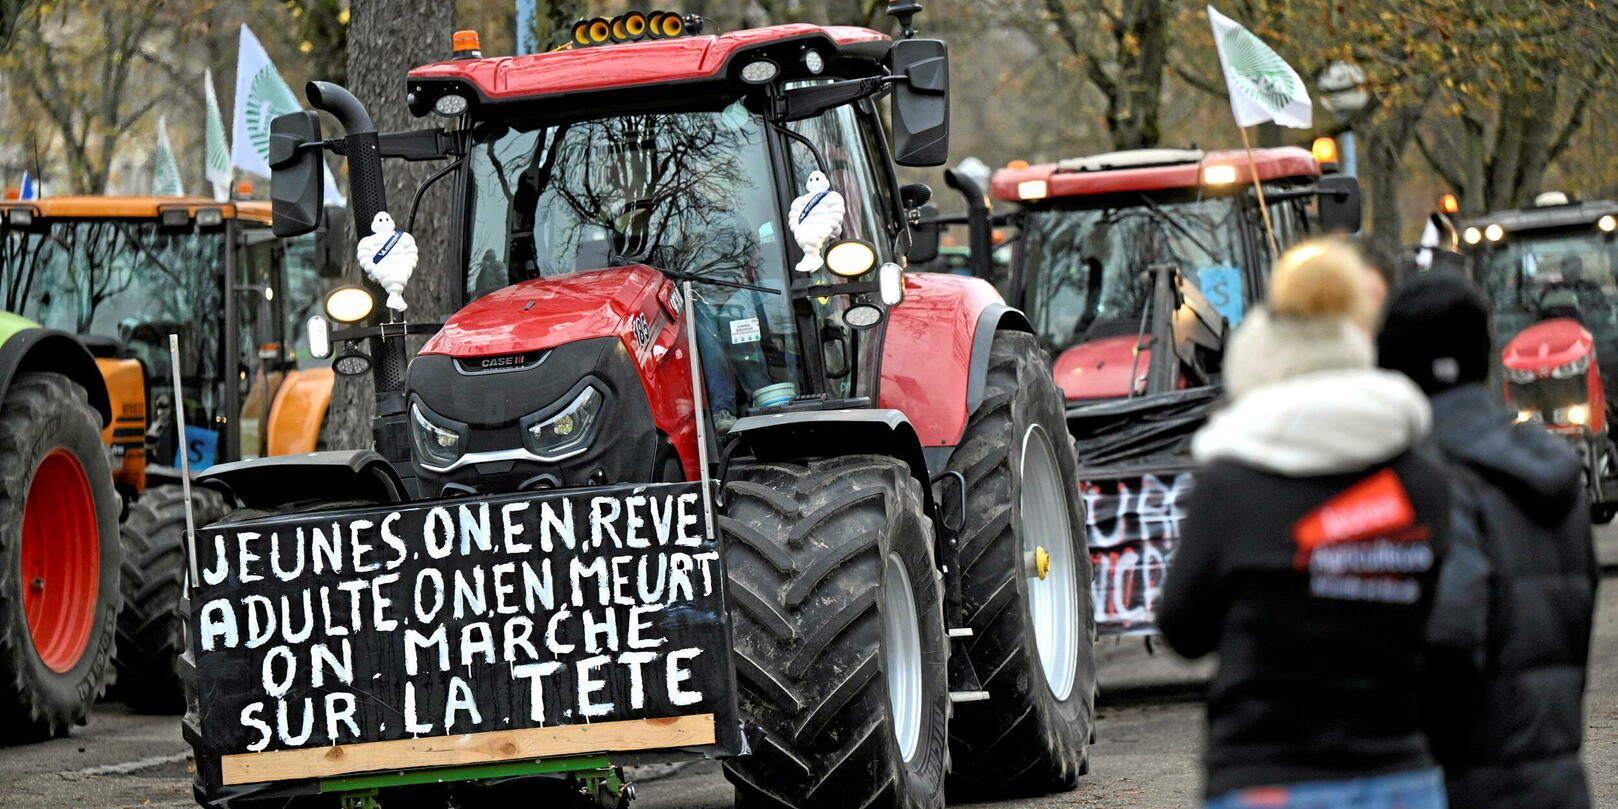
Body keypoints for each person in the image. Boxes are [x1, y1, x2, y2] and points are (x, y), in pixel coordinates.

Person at [1159, 238, 1454, 809]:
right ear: (1361, 335)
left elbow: (1183, 630)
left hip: (1268, 774)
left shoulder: (1230, 481)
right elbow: (1443, 622)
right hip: (1402, 772)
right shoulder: (1422, 477)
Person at [1377, 270, 1598, 809]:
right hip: (1558, 779)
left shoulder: (1436, 478)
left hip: (1466, 786)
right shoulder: (1551, 472)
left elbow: (1449, 639)